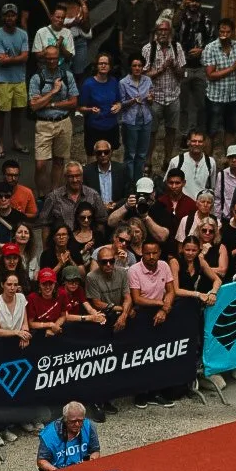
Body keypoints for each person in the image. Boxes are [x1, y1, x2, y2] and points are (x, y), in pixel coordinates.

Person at [127, 237, 176, 407]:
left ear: (159, 253)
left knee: (159, 355)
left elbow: (171, 291)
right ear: (142, 253)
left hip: (160, 315)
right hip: (141, 315)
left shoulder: (164, 266)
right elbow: (137, 298)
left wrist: (164, 309)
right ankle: (140, 394)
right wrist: (160, 303)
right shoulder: (134, 270)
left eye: (155, 253)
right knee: (142, 357)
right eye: (147, 253)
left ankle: (156, 393)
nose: (151, 257)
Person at [29, 44, 79, 196]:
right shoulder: (37, 78)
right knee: (40, 164)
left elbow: (73, 102)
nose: (52, 61)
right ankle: (42, 195)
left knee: (59, 161)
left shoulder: (67, 76)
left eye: (55, 58)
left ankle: (55, 194)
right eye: (49, 58)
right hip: (44, 123)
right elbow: (34, 105)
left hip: (63, 121)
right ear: (44, 59)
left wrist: (49, 103)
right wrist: (53, 92)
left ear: (59, 59)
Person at [143, 18, 186, 175]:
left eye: (165, 30)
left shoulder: (177, 47)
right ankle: (148, 162)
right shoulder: (148, 49)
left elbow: (182, 73)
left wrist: (173, 66)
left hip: (173, 96)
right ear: (156, 32)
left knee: (171, 130)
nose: (162, 33)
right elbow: (144, 75)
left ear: (170, 32)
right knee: (151, 132)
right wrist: (161, 69)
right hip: (155, 97)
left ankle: (168, 160)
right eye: (160, 30)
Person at [0, 4, 31, 155]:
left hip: (19, 79)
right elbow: (1, 60)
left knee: (18, 113)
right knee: (1, 113)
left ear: (16, 17)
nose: (10, 18)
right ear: (3, 17)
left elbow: (25, 57)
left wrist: (9, 59)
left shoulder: (23, 34)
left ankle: (16, 141)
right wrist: (17, 58)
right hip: (2, 80)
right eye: (7, 15)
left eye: (12, 15)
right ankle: (0, 143)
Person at [203, 18, 236, 154]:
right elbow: (210, 75)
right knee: (211, 131)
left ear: (232, 32)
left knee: (230, 130)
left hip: (233, 95)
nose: (224, 35)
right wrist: (233, 67)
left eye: (227, 32)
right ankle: (207, 162)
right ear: (218, 31)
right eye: (222, 32)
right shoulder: (210, 48)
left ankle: (229, 161)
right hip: (215, 97)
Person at [175, 0, 213, 136]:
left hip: (200, 68)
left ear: (200, 3)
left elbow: (212, 41)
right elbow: (173, 25)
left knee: (202, 104)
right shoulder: (181, 17)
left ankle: (199, 133)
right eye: (191, 1)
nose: (193, 4)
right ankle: (184, 134)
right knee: (183, 105)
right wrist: (181, 6)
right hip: (183, 67)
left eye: (196, 1)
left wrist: (202, 50)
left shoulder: (206, 20)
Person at [38, 159, 108, 233]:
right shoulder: (53, 197)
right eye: (71, 176)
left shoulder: (93, 195)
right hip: (63, 239)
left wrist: (97, 238)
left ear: (82, 176)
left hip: (88, 239)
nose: (75, 180)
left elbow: (101, 221)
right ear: (65, 177)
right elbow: (45, 225)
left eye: (77, 176)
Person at [119, 54, 153, 183]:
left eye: (139, 65)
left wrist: (150, 99)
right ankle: (129, 182)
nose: (137, 68)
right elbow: (121, 103)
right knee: (130, 154)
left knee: (142, 154)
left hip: (146, 119)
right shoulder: (123, 83)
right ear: (130, 67)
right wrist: (133, 101)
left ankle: (138, 181)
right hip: (130, 121)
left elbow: (151, 100)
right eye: (134, 65)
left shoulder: (147, 80)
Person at [37, 401, 101, 471]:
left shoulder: (88, 426)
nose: (77, 424)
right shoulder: (49, 434)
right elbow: (41, 461)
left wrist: (90, 463)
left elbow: (95, 451)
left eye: (80, 421)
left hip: (83, 469)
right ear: (65, 419)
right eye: (73, 421)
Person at [79, 54, 123, 151]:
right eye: (100, 63)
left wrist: (118, 106)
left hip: (111, 126)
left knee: (108, 155)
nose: (103, 66)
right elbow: (80, 108)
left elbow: (119, 101)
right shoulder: (88, 84)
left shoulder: (114, 81)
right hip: (94, 127)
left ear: (110, 66)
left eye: (106, 63)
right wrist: (91, 110)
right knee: (93, 156)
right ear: (96, 66)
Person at [145, 166, 196, 250]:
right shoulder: (159, 203)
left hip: (184, 249)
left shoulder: (191, 205)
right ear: (166, 183)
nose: (174, 186)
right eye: (171, 183)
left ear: (184, 183)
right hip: (161, 248)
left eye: (177, 183)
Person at [115, 0, 155, 67]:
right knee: (127, 70)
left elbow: (151, 27)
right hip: (127, 45)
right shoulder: (123, 2)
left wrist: (149, 45)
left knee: (143, 70)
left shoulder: (147, 2)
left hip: (143, 44)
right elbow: (121, 26)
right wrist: (121, 45)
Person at [83, 137, 132, 213]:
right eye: (99, 152)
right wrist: (99, 206)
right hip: (95, 211)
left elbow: (128, 194)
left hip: (117, 210)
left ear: (111, 152)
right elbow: (84, 196)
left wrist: (116, 204)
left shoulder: (122, 169)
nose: (103, 155)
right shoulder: (87, 171)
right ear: (95, 154)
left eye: (106, 152)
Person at [85, 245, 131, 325]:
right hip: (103, 314)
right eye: (104, 262)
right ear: (98, 263)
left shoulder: (122, 272)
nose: (108, 264)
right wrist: (122, 309)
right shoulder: (91, 277)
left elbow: (127, 297)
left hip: (121, 312)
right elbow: (97, 303)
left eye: (111, 261)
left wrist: (124, 315)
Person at [58, 0, 92, 81]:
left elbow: (87, 29)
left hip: (79, 42)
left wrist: (82, 20)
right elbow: (56, 27)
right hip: (64, 44)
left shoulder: (81, 7)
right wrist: (72, 24)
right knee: (64, 74)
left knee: (79, 74)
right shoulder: (59, 6)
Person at [0, 269, 31, 345]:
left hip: (17, 339)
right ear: (2, 285)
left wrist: (25, 335)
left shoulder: (21, 298)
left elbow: (24, 323)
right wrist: (17, 332)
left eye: (15, 285)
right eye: (9, 284)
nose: (12, 288)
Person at [32, 1, 76, 66]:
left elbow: (70, 56)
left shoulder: (68, 32)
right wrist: (47, 51)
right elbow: (37, 56)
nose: (60, 20)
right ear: (51, 17)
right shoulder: (41, 32)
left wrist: (61, 47)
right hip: (45, 67)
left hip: (62, 68)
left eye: (62, 18)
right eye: (58, 17)